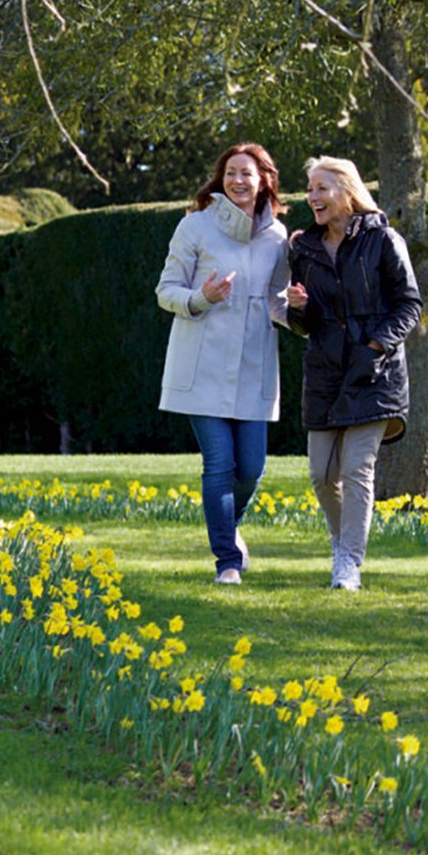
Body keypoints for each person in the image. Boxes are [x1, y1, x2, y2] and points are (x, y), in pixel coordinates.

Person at [283, 155, 423, 590]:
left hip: (373, 371)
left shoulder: (384, 240)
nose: (312, 197)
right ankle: (342, 545)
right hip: (324, 372)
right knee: (322, 476)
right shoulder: (303, 248)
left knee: (357, 469)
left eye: (321, 188)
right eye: (310, 189)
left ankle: (349, 564)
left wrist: (376, 346)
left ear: (346, 191)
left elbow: (410, 304)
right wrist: (298, 308)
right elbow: (305, 324)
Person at [156, 143, 290, 585]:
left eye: (247, 174)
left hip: (255, 368)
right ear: (220, 178)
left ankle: (228, 528)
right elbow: (166, 291)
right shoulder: (194, 227)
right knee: (219, 465)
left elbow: (278, 302)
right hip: (202, 367)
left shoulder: (278, 238)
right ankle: (227, 563)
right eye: (231, 172)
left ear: (264, 180)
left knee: (251, 469)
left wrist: (297, 307)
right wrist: (202, 298)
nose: (238, 181)